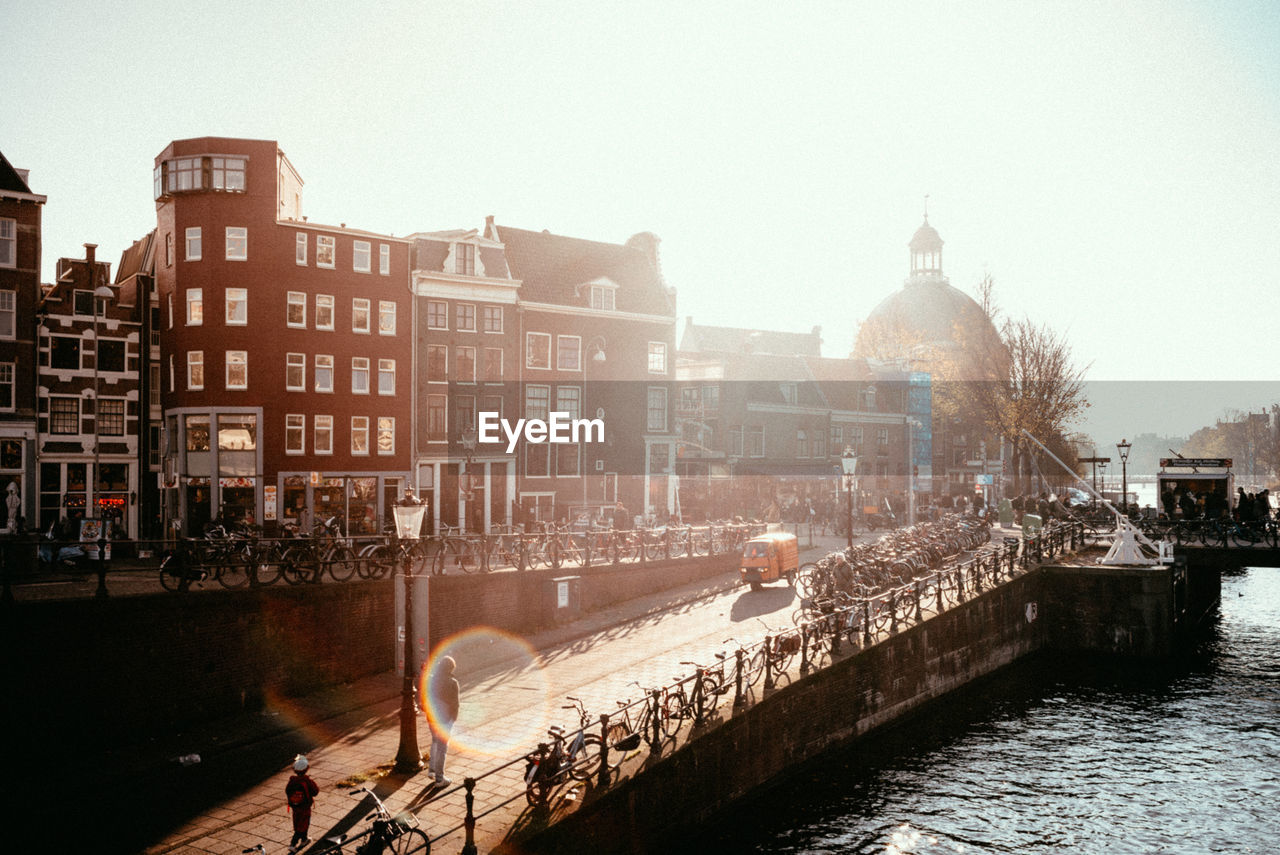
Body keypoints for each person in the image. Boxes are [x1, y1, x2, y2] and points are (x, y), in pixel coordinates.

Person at [427, 655, 460, 786]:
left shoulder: (432, 679)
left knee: (434, 742)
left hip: (432, 718)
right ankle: (440, 779)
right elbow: (455, 703)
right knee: (442, 747)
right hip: (444, 719)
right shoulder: (452, 682)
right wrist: (454, 718)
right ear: (451, 668)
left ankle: (432, 771)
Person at [285, 754, 319, 851]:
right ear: (307, 769)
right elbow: (315, 791)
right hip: (305, 807)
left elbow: (287, 791)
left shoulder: (292, 781)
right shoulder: (307, 781)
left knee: (298, 823)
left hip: (295, 807)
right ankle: (293, 844)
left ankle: (304, 839)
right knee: (303, 825)